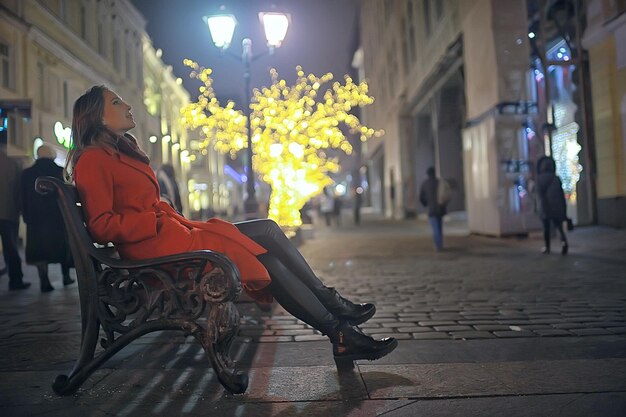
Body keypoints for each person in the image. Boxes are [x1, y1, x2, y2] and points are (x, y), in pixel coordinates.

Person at [65, 85, 397, 364]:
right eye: (116, 102)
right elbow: (101, 226)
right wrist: (153, 221)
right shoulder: (94, 159)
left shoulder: (119, 153)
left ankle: (331, 304)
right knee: (266, 258)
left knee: (266, 229)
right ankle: (340, 331)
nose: (127, 105)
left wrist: (161, 216)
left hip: (172, 238)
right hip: (159, 256)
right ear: (96, 116)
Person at [21, 144, 75, 292]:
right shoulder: (59, 171)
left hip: (35, 220)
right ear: (52, 155)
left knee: (39, 252)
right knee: (62, 247)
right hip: (58, 218)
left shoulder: (27, 174)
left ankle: (44, 281)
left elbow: (22, 198)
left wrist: (25, 216)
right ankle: (66, 277)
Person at [0, 144, 30, 290]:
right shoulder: (13, 164)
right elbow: (19, 190)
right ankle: (15, 279)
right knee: (10, 247)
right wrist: (21, 210)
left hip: (8, 211)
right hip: (8, 211)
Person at [536, 156, 569, 255]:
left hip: (545, 207)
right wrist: (564, 210)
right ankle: (564, 243)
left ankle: (547, 247)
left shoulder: (539, 179)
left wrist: (540, 208)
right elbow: (561, 195)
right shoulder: (556, 178)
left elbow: (539, 195)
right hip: (556, 207)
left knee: (546, 228)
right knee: (559, 227)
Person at [419, 166, 449, 251]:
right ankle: (440, 244)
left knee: (435, 227)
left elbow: (421, 197)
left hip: (431, 209)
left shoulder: (425, 184)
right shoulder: (440, 182)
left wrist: (426, 205)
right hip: (440, 208)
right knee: (439, 227)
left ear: (427, 174)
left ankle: (438, 245)